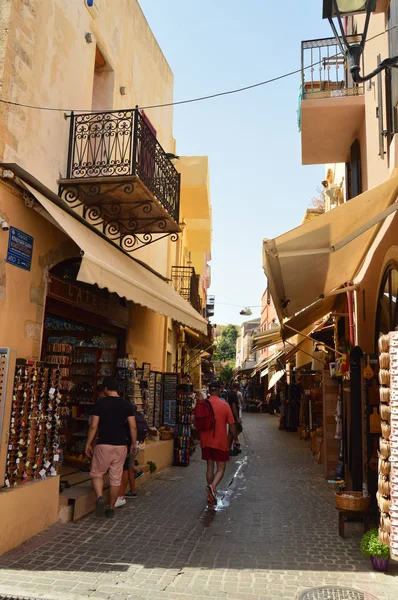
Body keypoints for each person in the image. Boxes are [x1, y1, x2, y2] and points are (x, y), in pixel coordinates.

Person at [85, 376, 138, 519]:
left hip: (104, 444)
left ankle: (100, 496)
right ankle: (111, 507)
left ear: (106, 389)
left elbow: (93, 426)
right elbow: (133, 426)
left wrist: (88, 443)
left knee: (97, 473)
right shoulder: (127, 405)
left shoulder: (100, 404)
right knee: (116, 478)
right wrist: (133, 443)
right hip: (121, 445)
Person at [199, 380, 237, 506]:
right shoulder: (224, 405)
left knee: (209, 466)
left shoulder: (203, 404)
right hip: (220, 441)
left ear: (209, 391)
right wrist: (236, 439)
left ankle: (210, 492)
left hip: (205, 440)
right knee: (221, 468)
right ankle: (213, 487)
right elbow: (231, 425)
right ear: (219, 390)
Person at [115, 402, 144, 508]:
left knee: (128, 468)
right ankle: (130, 490)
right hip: (137, 444)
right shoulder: (139, 416)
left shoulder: (128, 419)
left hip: (131, 446)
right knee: (129, 467)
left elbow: (132, 429)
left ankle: (130, 492)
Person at [228, 383, 243, 455]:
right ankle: (235, 443)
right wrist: (237, 417)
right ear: (238, 388)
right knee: (237, 429)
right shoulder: (233, 395)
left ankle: (230, 447)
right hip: (233, 415)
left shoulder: (230, 393)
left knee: (231, 431)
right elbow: (234, 406)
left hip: (231, 414)